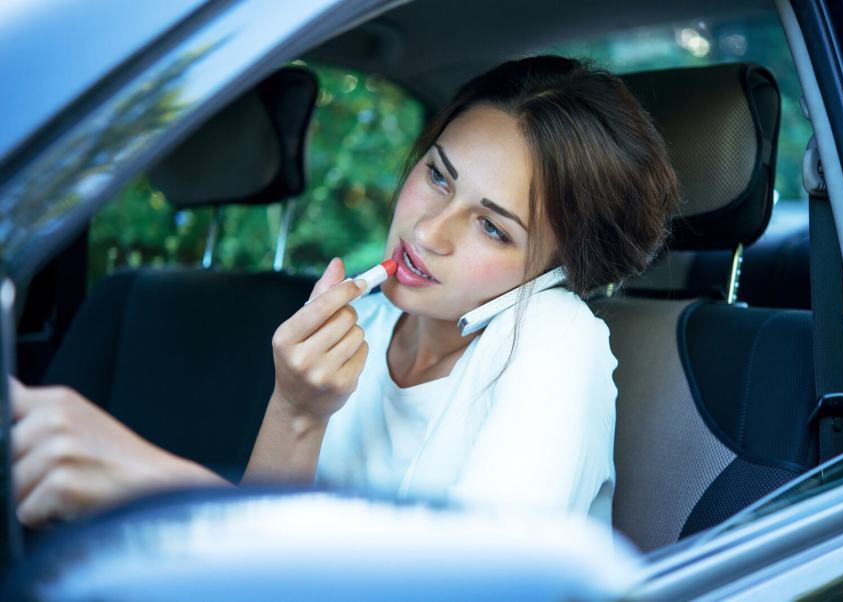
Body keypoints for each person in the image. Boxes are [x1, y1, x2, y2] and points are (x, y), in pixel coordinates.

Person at [10, 55, 679, 527]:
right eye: (439, 177)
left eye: (492, 227)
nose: (428, 230)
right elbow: (260, 569)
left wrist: (148, 481)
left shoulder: (558, 338)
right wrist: (295, 408)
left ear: (558, 265)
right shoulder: (369, 316)